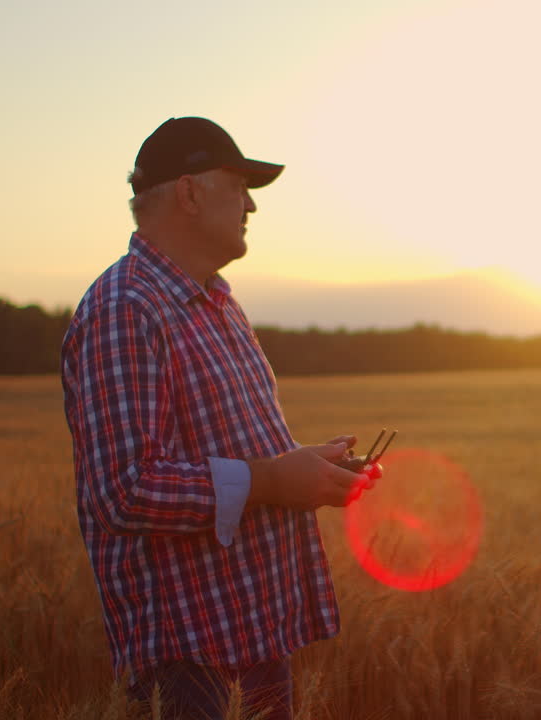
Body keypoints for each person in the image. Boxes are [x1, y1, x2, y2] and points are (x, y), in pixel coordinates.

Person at [61, 116, 378, 719]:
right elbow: (125, 490)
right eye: (237, 185)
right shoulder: (125, 310)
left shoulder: (215, 300)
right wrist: (273, 481)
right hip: (189, 654)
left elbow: (235, 452)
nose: (251, 204)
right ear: (189, 193)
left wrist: (309, 469)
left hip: (251, 629)